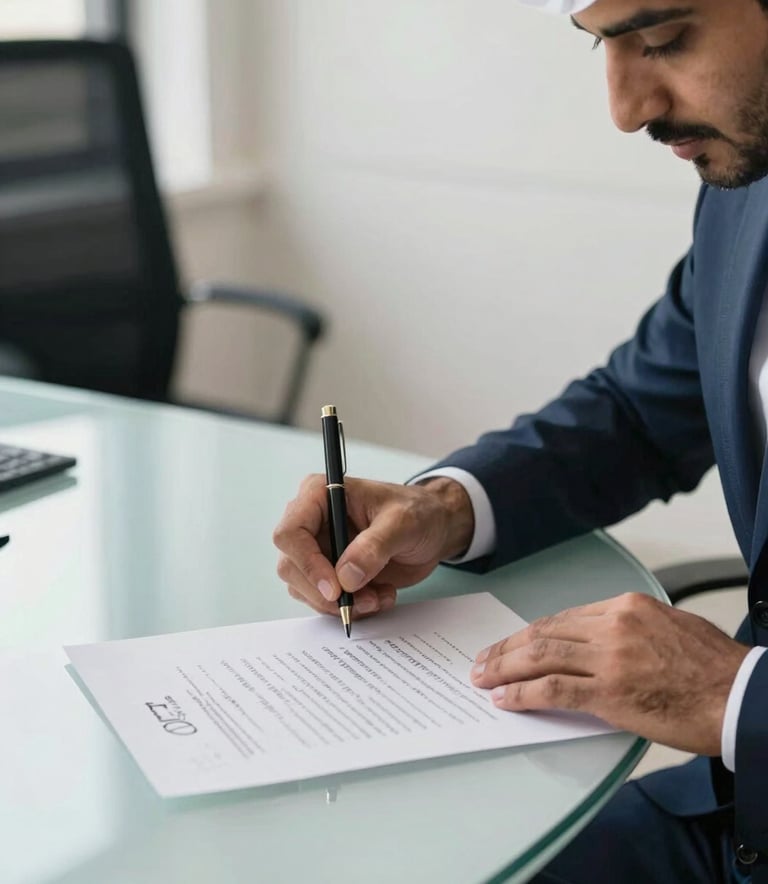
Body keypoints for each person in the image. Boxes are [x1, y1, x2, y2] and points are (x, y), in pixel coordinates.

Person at [273, 0, 768, 880]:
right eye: (602, 48)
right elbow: (640, 410)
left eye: (662, 40)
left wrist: (735, 697)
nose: (626, 108)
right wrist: (445, 507)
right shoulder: (746, 195)